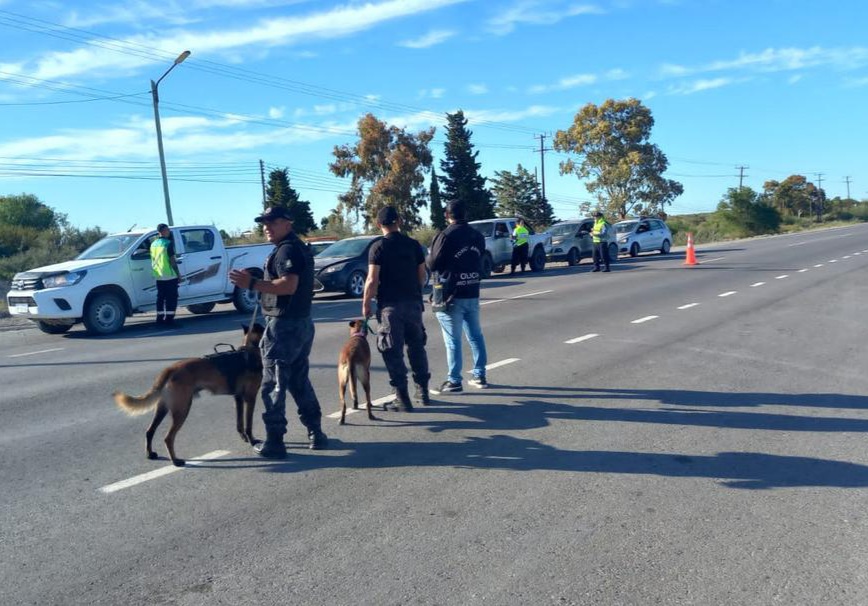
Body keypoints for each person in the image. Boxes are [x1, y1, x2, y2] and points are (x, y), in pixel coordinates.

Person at [228, 206, 327, 459]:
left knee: (273, 383)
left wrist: (250, 283)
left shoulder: (287, 250)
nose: (266, 227)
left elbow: (289, 285)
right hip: (301, 323)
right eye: (264, 222)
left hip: (285, 325)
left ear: (287, 223)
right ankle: (316, 432)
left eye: (272, 222)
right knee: (298, 379)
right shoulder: (295, 247)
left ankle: (274, 441)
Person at [362, 206, 431, 411]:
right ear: (398, 221)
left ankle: (402, 396)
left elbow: (372, 279)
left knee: (392, 351)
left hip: (390, 307)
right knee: (417, 347)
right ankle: (423, 392)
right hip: (413, 304)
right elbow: (421, 274)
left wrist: (366, 303)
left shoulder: (378, 247)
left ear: (378, 224)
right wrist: (416, 293)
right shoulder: (413, 245)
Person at [427, 200, 488, 393]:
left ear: (447, 215)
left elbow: (433, 263)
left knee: (452, 339)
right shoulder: (477, 235)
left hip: (450, 293)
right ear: (465, 214)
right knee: (475, 335)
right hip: (472, 289)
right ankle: (479, 375)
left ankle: (454, 380)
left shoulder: (445, 236)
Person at [150, 223, 181, 327]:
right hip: (169, 275)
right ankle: (169, 320)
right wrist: (178, 274)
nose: (169, 232)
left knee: (160, 297)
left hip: (158, 274)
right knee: (171, 298)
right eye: (167, 230)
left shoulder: (153, 244)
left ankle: (159, 319)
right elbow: (172, 261)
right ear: (163, 231)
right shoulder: (168, 243)